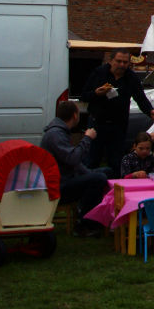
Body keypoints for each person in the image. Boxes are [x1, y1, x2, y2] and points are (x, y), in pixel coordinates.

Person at [79, 48, 154, 177]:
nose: (122, 65)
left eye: (125, 62)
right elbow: (83, 96)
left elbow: (140, 98)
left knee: (116, 162)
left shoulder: (131, 77)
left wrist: (151, 111)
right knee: (92, 160)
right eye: (119, 61)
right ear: (111, 61)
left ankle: (116, 191)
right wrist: (96, 93)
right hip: (97, 123)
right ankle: (90, 189)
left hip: (118, 125)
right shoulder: (99, 73)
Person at [40, 101, 109, 236]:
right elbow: (73, 158)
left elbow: (73, 163)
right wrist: (87, 139)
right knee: (98, 179)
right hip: (58, 185)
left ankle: (101, 217)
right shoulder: (56, 134)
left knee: (106, 172)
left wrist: (88, 173)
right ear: (75, 116)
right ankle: (84, 224)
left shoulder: (59, 131)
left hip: (66, 177)